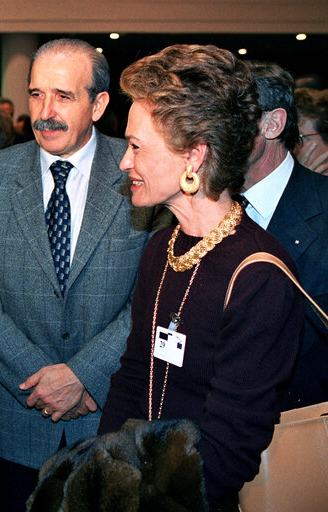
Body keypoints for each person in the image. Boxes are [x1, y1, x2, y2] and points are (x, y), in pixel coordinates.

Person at [98, 45, 305, 507]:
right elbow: (133, 377)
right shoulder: (161, 247)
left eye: (135, 146)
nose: (123, 162)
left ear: (194, 156)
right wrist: (102, 474)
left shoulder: (259, 275)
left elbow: (228, 451)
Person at [0, 38, 155, 511]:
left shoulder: (140, 172)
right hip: (18, 419)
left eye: (64, 96)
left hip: (109, 417)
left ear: (99, 104)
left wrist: (84, 375)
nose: (46, 112)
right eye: (37, 94)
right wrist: (39, 380)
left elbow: (148, 298)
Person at [242, 61, 328, 409]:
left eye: (229, 118)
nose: (209, 132)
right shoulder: (203, 210)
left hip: (318, 433)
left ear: (272, 124)